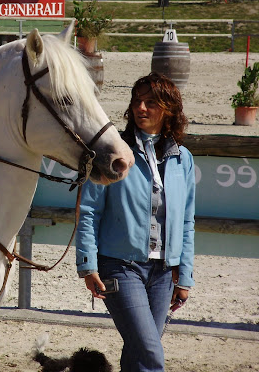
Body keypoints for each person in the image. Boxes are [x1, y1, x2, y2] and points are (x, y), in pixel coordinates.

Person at [76, 72, 195, 372]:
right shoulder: (112, 152)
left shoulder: (183, 158)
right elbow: (89, 210)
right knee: (151, 352)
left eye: (151, 103)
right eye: (137, 101)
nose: (141, 108)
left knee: (139, 355)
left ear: (169, 109)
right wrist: (88, 264)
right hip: (119, 267)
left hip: (164, 272)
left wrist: (186, 275)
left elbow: (186, 221)